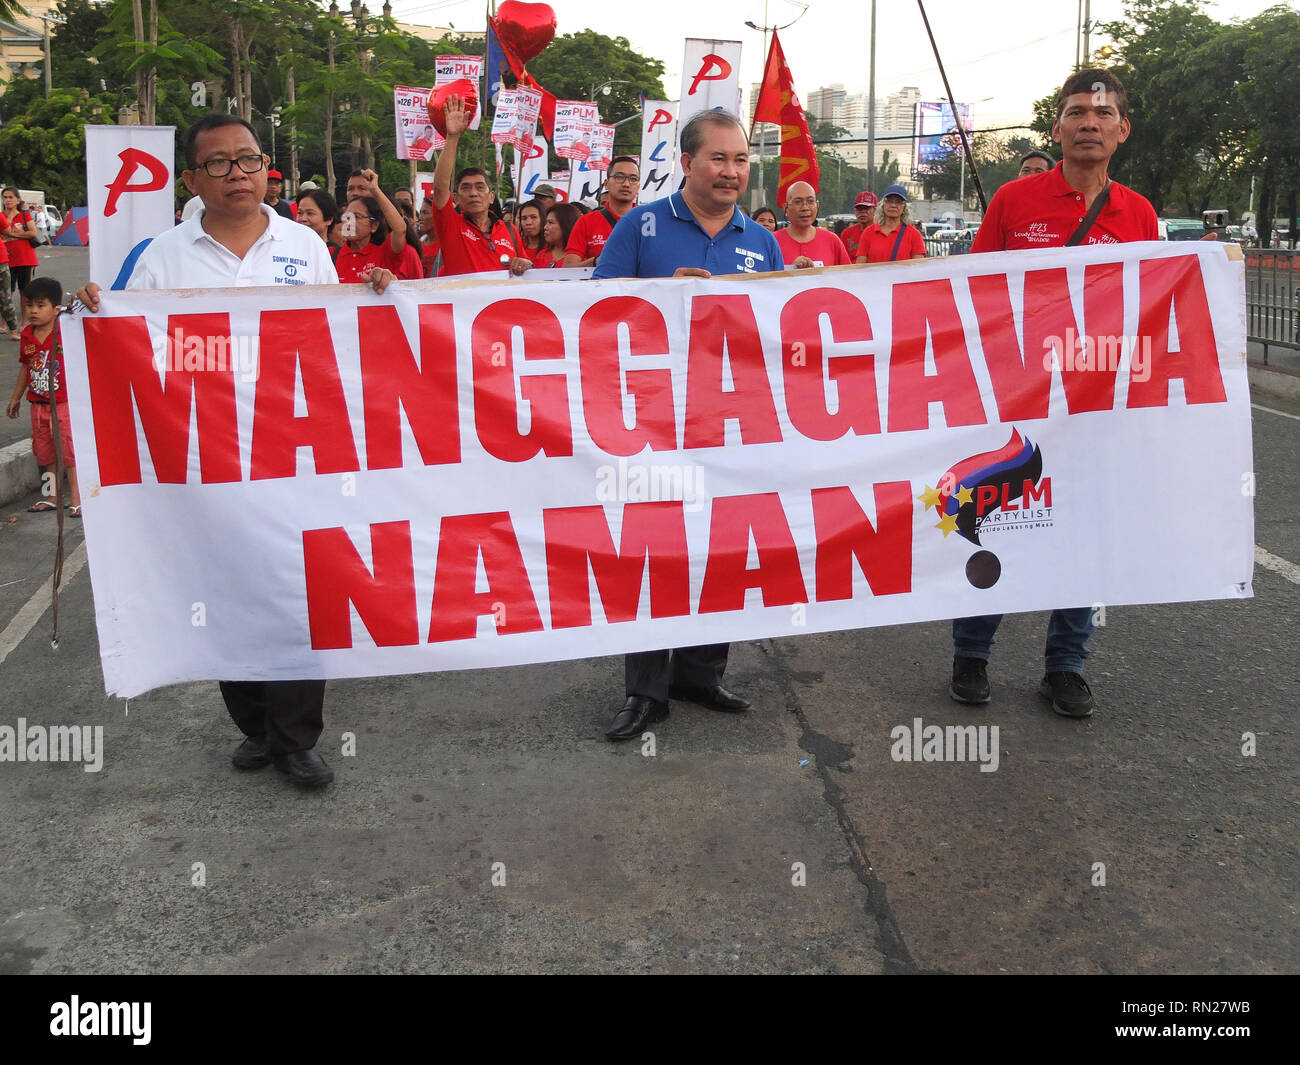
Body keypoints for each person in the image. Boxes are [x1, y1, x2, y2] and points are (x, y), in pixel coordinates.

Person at [75, 113, 398, 788]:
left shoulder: (304, 245)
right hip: (203, 459)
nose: (237, 174)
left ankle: (296, 737)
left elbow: (332, 328)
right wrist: (91, 312)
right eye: (218, 163)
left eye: (248, 160)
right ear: (191, 178)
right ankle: (254, 723)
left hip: (293, 449)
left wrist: (369, 297)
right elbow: (122, 343)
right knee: (223, 591)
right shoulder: (160, 255)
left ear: (265, 166)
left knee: (300, 590)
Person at [950, 68, 1158, 719]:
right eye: (1076, 112)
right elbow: (975, 293)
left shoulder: (1140, 213)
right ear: (1058, 126)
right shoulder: (1013, 201)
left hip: (1098, 408)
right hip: (1019, 404)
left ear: (1122, 130)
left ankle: (1066, 666)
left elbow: (1158, 304)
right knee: (998, 522)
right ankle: (970, 653)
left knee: (1086, 534)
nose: (1089, 122)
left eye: (1103, 113)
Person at [592, 109, 783, 742]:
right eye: (718, 159)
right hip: (652, 422)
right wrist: (656, 299)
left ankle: (701, 674)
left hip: (731, 425)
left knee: (722, 547)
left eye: (740, 160)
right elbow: (591, 310)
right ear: (686, 162)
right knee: (655, 550)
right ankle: (645, 691)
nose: (731, 172)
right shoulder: (640, 226)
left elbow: (779, 333)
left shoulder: (762, 240)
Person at [6, 276, 78, 516]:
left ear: (56, 309)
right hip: (38, 405)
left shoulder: (67, 331)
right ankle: (52, 497)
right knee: (45, 452)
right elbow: (25, 368)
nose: (33, 311)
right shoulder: (27, 335)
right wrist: (16, 397)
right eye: (29, 305)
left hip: (64, 404)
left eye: (40, 305)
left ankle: (77, 499)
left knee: (69, 452)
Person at [431, 95, 522, 276]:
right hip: (462, 304)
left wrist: (524, 263)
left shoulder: (509, 230)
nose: (473, 193)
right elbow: (441, 186)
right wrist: (452, 137)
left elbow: (523, 265)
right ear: (455, 198)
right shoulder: (450, 225)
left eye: (480, 187)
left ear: (491, 196)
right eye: (466, 188)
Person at [336, 169, 421, 283]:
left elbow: (400, 230)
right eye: (347, 216)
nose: (349, 221)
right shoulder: (331, 253)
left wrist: (375, 190)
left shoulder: (385, 252)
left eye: (357, 216)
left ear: (374, 225)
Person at [562, 156, 640, 267]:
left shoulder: (649, 221)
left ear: (638, 186)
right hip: (600, 283)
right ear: (606, 183)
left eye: (633, 178)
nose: (626, 184)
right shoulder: (586, 222)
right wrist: (597, 261)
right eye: (619, 177)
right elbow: (568, 268)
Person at [774, 180, 853, 268]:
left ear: (817, 205)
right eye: (798, 202)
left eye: (810, 201)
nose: (805, 207)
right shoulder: (772, 241)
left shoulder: (832, 240)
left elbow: (847, 277)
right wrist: (790, 269)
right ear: (786, 208)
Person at [854, 184, 926, 263]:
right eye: (889, 201)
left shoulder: (914, 235)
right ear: (883, 205)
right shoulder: (868, 232)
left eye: (898, 202)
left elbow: (918, 268)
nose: (893, 205)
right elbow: (860, 266)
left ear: (904, 207)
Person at [1, 188, 39, 293]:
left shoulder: (24, 215)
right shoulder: (1, 216)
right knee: (7, 291)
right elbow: (4, 231)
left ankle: (25, 310)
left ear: (18, 200)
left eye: (11, 197)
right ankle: (7, 310)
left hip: (25, 258)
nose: (7, 200)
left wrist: (12, 234)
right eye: (5, 197)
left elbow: (32, 232)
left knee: (26, 291)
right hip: (7, 259)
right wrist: (10, 217)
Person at [840, 190, 878, 259]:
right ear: (855, 211)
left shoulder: (881, 232)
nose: (863, 212)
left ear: (875, 210)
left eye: (867, 208)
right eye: (859, 208)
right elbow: (842, 260)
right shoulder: (847, 233)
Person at [417, 198, 440, 277]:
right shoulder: (417, 245)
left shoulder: (448, 246)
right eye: (420, 213)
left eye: (425, 213)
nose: (420, 217)